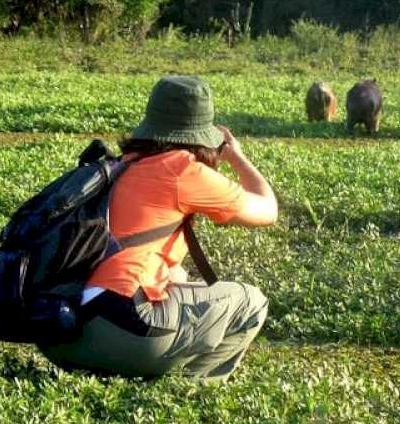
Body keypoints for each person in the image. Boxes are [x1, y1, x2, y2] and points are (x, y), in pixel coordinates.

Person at [38, 75, 277, 382]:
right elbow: (268, 210)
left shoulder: (119, 165)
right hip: (119, 334)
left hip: (59, 333)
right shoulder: (181, 170)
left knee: (177, 277)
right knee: (251, 301)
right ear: (203, 134)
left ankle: (121, 365)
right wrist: (237, 157)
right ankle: (193, 386)